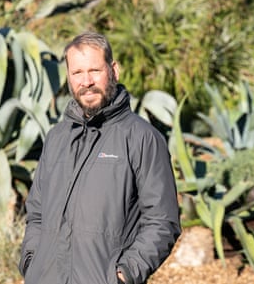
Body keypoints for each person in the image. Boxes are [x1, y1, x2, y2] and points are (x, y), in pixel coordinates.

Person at [19, 31, 181, 284]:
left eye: (94, 70)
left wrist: (124, 275)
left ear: (113, 70)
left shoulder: (142, 138)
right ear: (69, 78)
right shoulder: (56, 138)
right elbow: (37, 212)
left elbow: (162, 221)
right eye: (77, 73)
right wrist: (31, 261)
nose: (86, 81)